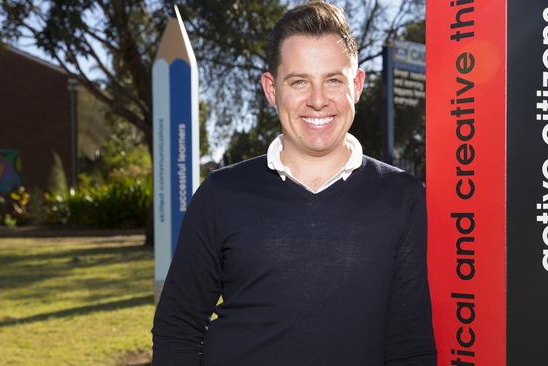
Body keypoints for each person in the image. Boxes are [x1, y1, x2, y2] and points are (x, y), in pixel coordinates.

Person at [151, 2, 436, 365]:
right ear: (271, 89)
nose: (318, 101)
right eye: (299, 81)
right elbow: (178, 326)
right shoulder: (220, 194)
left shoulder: (402, 196)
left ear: (357, 85)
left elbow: (411, 344)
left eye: (333, 80)